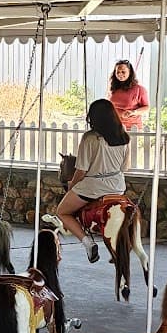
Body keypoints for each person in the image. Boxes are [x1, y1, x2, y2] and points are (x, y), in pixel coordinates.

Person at [57, 98, 130, 262]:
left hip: (94, 186)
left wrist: (72, 186)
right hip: (118, 186)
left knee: (62, 211)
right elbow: (125, 167)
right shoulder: (123, 135)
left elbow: (81, 170)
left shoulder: (89, 138)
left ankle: (88, 242)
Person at [109, 59, 150, 133]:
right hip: (114, 126)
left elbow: (146, 107)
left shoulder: (139, 89)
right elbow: (110, 107)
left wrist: (133, 112)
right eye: (117, 72)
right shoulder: (112, 89)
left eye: (123, 72)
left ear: (130, 72)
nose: (120, 74)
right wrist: (120, 113)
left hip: (132, 128)